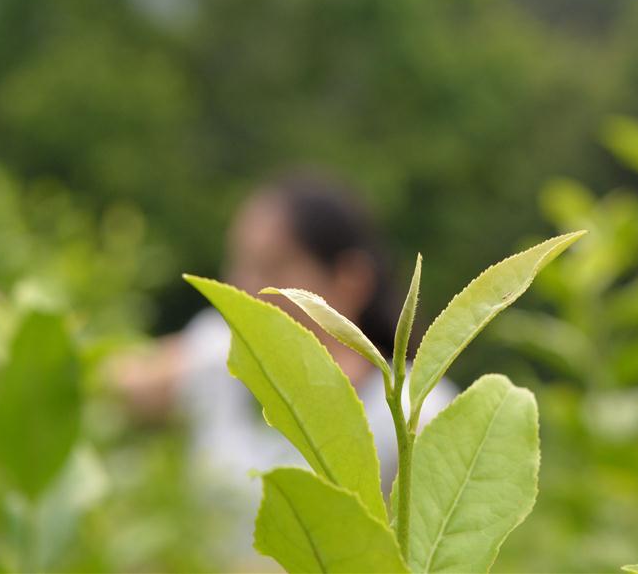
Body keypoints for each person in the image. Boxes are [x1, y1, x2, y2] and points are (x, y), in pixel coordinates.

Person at [112, 172, 457, 557]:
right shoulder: (220, 354)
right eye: (239, 265)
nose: (243, 288)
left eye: (271, 267)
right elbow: (111, 386)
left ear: (350, 279)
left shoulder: (414, 411)